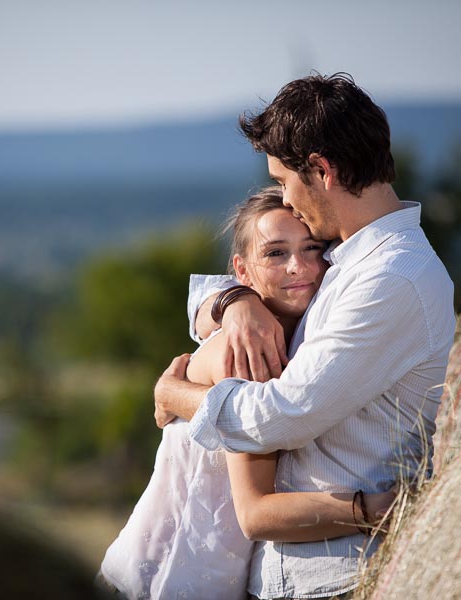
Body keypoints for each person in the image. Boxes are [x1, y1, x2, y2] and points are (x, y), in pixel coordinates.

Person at [154, 73, 456, 599]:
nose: (287, 201)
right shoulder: (345, 260)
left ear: (322, 170)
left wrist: (175, 395)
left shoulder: (391, 280)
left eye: (286, 181)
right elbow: (249, 280)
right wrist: (233, 302)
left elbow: (282, 417)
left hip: (341, 578)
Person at [99, 187, 396, 600]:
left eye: (312, 248)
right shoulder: (247, 354)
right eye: (276, 254)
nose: (298, 267)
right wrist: (372, 510)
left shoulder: (302, 342)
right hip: (158, 581)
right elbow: (255, 512)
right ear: (242, 270)